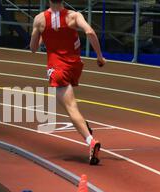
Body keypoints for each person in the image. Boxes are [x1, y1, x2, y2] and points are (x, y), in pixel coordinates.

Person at [30, 0, 106, 165]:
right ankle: (84, 125)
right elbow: (90, 32)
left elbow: (33, 48)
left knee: (71, 108)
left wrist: (43, 35)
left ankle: (90, 141)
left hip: (58, 69)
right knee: (70, 105)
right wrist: (99, 57)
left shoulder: (40, 20)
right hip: (75, 66)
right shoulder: (74, 16)